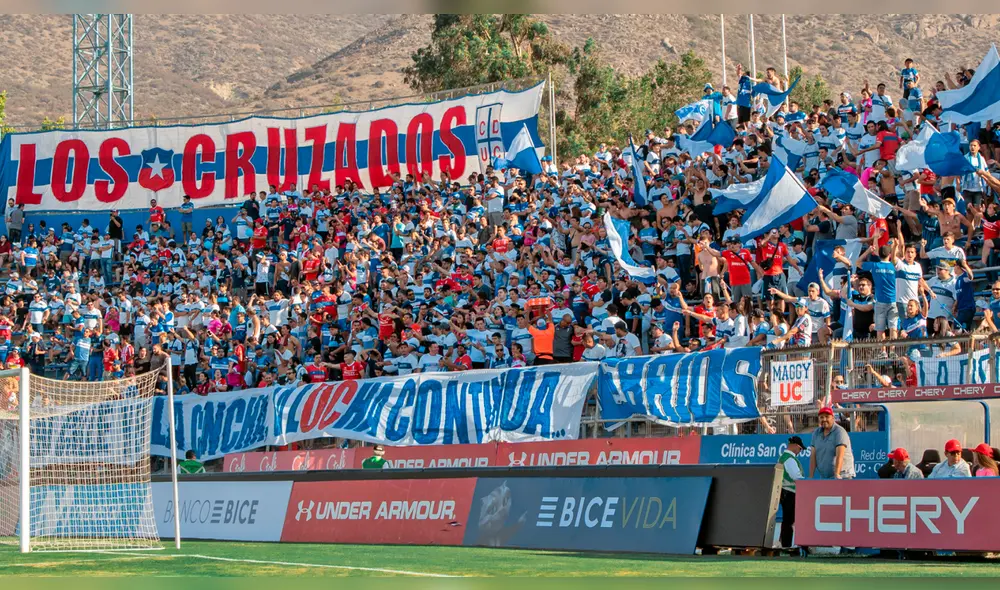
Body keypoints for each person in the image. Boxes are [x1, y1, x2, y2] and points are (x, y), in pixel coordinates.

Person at [808, 407, 855, 480]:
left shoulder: (839, 431)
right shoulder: (816, 433)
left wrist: (837, 474)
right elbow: (813, 456)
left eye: (827, 417)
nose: (824, 419)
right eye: (821, 417)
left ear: (833, 418)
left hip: (842, 476)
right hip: (826, 477)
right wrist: (810, 477)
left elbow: (840, 455)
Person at [778, 436, 804, 550]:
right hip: (790, 492)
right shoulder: (790, 459)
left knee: (787, 519)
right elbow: (796, 477)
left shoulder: (783, 457)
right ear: (796, 446)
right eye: (800, 449)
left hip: (784, 491)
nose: (799, 452)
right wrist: (806, 482)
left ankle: (784, 543)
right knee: (789, 520)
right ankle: (786, 545)